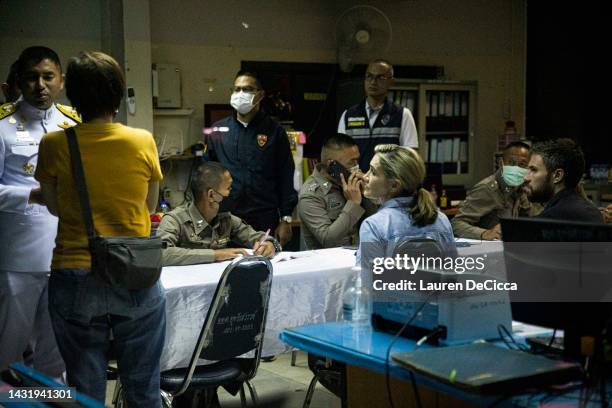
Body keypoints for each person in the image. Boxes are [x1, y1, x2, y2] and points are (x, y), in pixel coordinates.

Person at [35, 51, 165, 406]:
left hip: (74, 271)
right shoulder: (142, 141)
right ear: (118, 93)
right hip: (134, 271)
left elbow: (56, 206)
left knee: (85, 390)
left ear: (70, 93)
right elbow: (150, 207)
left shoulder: (54, 144)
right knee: (142, 388)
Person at [0, 46, 80, 379]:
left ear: (60, 81)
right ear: (19, 80)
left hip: (66, 254)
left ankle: (48, 402)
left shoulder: (72, 122)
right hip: (19, 256)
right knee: (8, 350)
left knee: (57, 350)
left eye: (48, 77)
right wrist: (34, 194)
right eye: (32, 77)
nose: (40, 85)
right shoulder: (3, 124)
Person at [207, 70, 297, 247]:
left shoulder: (274, 131)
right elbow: (207, 175)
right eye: (236, 89)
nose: (240, 94)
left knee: (264, 269)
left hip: (264, 219)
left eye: (247, 89)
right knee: (226, 269)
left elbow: (286, 176)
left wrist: (286, 219)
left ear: (260, 95)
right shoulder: (218, 131)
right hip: (227, 220)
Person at [157, 161, 280, 266]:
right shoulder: (174, 220)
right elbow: (160, 254)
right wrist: (216, 255)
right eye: (229, 188)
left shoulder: (227, 220)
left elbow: (257, 237)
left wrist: (269, 245)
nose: (232, 193)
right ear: (211, 195)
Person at [357, 144, 454, 264]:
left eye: (373, 172)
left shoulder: (374, 226)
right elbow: (452, 275)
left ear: (394, 185)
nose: (365, 177)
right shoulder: (441, 219)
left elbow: (368, 280)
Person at [338, 59, 418, 171]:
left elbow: (410, 157)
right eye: (369, 76)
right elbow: (341, 156)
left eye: (380, 78)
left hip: (389, 185)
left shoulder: (402, 115)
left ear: (391, 82)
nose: (373, 82)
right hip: (357, 184)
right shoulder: (348, 116)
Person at [452, 141, 542, 240]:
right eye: (511, 163)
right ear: (501, 163)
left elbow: (532, 215)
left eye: (522, 164)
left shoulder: (520, 187)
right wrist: (485, 233)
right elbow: (456, 224)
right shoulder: (487, 188)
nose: (515, 168)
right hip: (485, 248)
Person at [298, 133, 373, 249]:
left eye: (357, 160)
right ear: (331, 164)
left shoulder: (349, 183)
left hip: (357, 255)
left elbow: (374, 224)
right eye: (351, 162)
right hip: (327, 263)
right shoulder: (311, 195)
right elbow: (328, 240)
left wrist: (367, 193)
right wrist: (353, 204)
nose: (356, 166)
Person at [524, 138, 603, 223]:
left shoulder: (548, 220)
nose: (526, 177)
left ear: (557, 176)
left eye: (533, 170)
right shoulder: (594, 212)